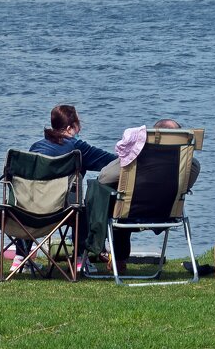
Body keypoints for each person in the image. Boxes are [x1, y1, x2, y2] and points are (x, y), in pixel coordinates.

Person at [12, 104, 116, 272]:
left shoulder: (35, 148)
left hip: (30, 211)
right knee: (82, 208)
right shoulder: (78, 148)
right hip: (63, 212)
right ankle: (80, 259)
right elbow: (111, 162)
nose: (79, 128)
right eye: (78, 124)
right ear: (69, 128)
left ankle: (20, 259)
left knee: (28, 201)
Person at [95, 118, 201, 274]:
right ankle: (118, 260)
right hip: (167, 213)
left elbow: (103, 177)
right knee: (122, 204)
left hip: (131, 212)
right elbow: (186, 185)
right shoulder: (190, 165)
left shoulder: (135, 157)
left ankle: (118, 260)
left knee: (116, 202)